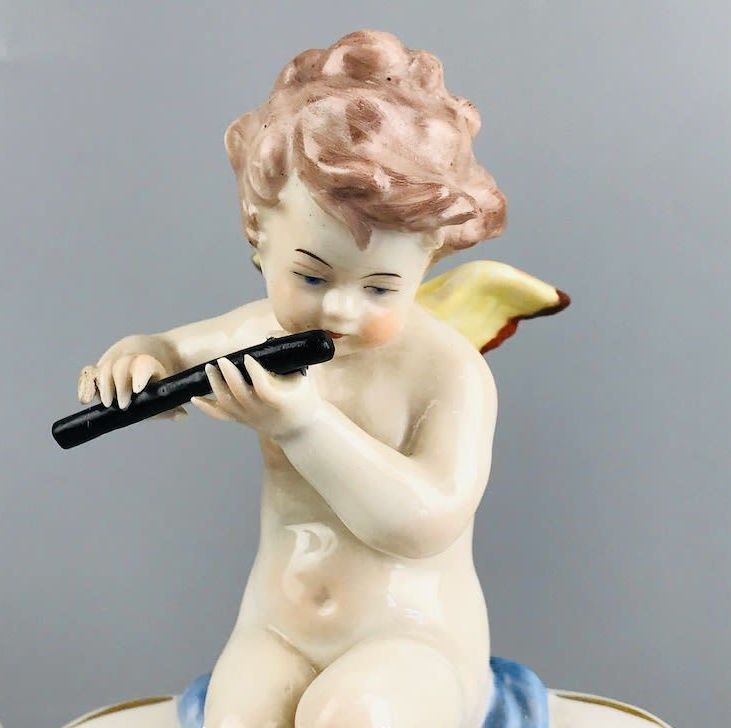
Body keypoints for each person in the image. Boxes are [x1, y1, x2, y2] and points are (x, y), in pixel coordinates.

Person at [78, 30, 557, 728]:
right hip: (279, 629)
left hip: (412, 635)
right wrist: (136, 361)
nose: (340, 309)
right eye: (310, 276)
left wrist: (302, 424)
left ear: (427, 262)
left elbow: (423, 522)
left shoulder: (447, 372)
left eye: (380, 288)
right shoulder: (258, 335)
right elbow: (167, 350)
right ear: (259, 237)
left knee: (353, 717)